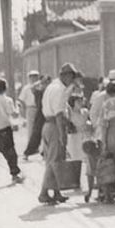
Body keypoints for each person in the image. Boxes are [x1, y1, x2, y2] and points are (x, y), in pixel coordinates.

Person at [39, 63, 79, 205]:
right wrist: (63, 134)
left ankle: (56, 192)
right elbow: (59, 114)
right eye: (72, 77)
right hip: (55, 126)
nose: (72, 80)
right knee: (54, 161)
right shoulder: (60, 90)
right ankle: (44, 193)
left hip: (47, 125)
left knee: (53, 159)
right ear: (66, 76)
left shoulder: (52, 86)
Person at [22, 76, 49, 160]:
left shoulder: (50, 92)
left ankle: (45, 153)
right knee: (36, 134)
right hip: (40, 115)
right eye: (45, 83)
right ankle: (27, 153)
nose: (46, 85)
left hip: (48, 115)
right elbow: (32, 88)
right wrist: (39, 82)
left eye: (47, 83)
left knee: (48, 135)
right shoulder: (39, 92)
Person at [18, 70, 40, 139]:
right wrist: (23, 109)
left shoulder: (40, 87)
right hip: (31, 108)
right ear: (29, 78)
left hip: (40, 108)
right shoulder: (26, 88)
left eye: (35, 76)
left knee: (40, 127)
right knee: (31, 127)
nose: (34, 78)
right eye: (32, 76)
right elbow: (21, 100)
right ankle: (31, 145)